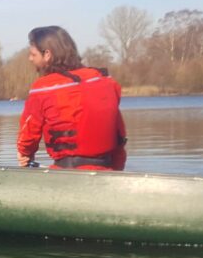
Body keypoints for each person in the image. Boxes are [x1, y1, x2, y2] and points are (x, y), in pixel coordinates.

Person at [16, 26, 127, 170]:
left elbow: (29, 133)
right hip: (107, 168)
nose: (30, 59)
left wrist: (24, 154)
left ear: (47, 54)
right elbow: (118, 133)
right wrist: (117, 169)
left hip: (68, 172)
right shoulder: (103, 80)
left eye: (33, 54)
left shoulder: (43, 87)